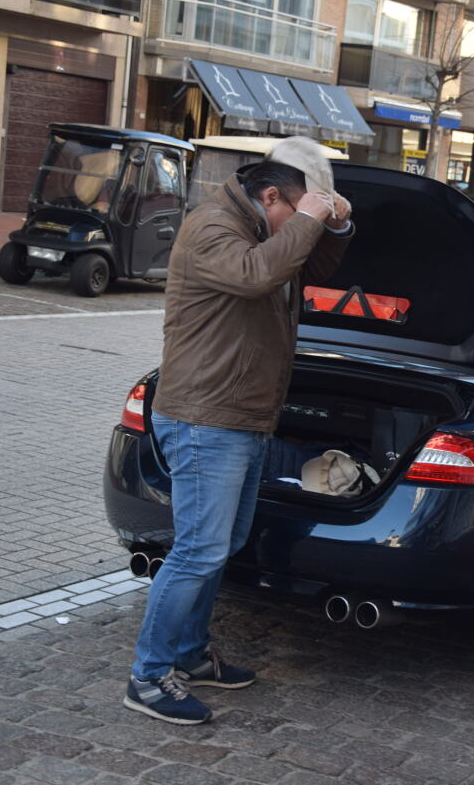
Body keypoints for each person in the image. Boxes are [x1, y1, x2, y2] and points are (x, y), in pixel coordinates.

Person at [125, 137, 353, 725]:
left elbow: (309, 265)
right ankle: (149, 676)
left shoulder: (263, 228)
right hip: (205, 417)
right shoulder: (212, 228)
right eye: (292, 213)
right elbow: (257, 277)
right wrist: (307, 220)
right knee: (198, 550)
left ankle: (191, 655)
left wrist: (335, 225)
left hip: (241, 415)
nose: (294, 228)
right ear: (270, 196)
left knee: (220, 545)